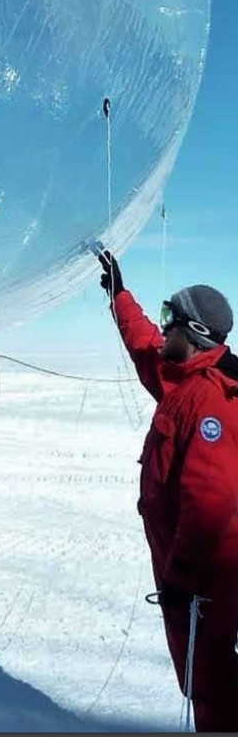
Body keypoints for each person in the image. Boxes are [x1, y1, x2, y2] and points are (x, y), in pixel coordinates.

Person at [98, 249, 238, 731]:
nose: (160, 330)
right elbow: (143, 348)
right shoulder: (183, 381)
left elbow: (210, 499)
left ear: (192, 332)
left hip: (209, 577)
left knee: (211, 680)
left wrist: (182, 578)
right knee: (203, 675)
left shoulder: (209, 400)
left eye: (167, 319)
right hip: (192, 574)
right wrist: (119, 294)